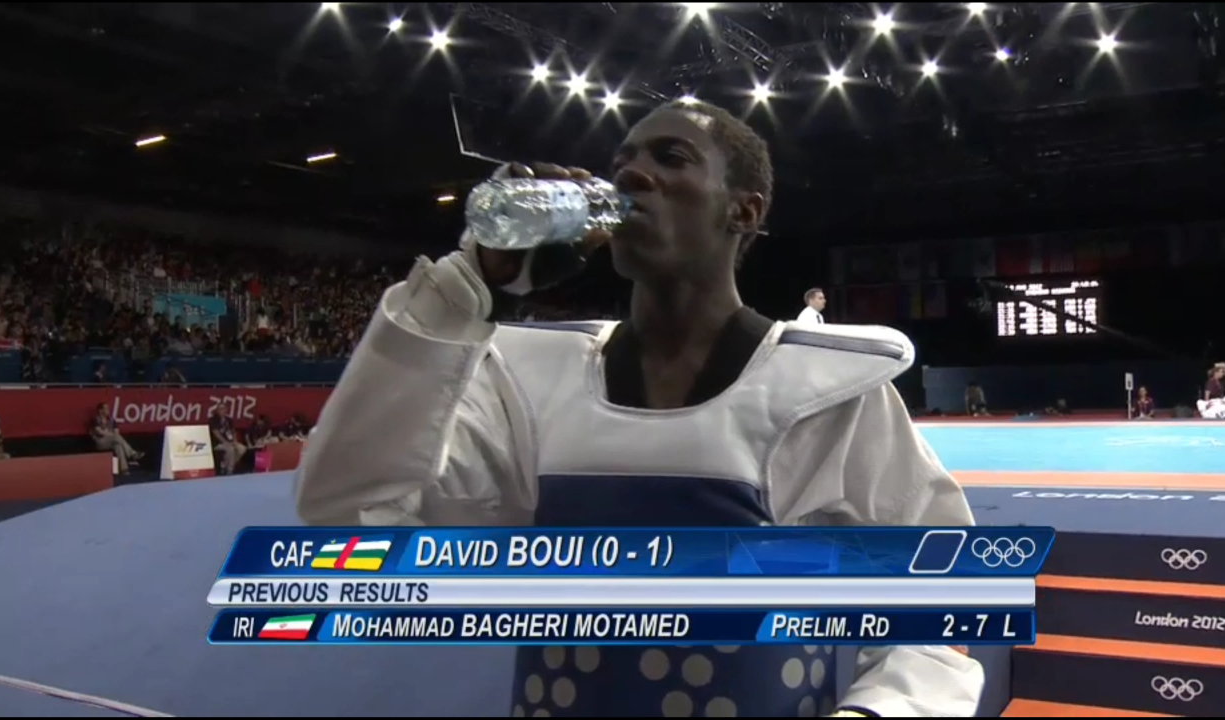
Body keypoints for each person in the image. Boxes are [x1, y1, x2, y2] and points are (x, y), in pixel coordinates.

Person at [295, 100, 983, 718]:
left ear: (743, 211)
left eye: (671, 157)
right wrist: (463, 289)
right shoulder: (531, 386)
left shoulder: (828, 397)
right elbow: (349, 516)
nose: (629, 174)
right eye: (622, 160)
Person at [90, 403, 142, 474]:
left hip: (112, 441)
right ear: (100, 410)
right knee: (116, 437)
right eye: (106, 408)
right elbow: (99, 432)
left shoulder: (111, 420)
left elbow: (116, 431)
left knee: (118, 446)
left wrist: (110, 434)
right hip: (101, 442)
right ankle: (132, 453)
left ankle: (124, 469)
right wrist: (111, 434)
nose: (108, 410)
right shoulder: (95, 420)